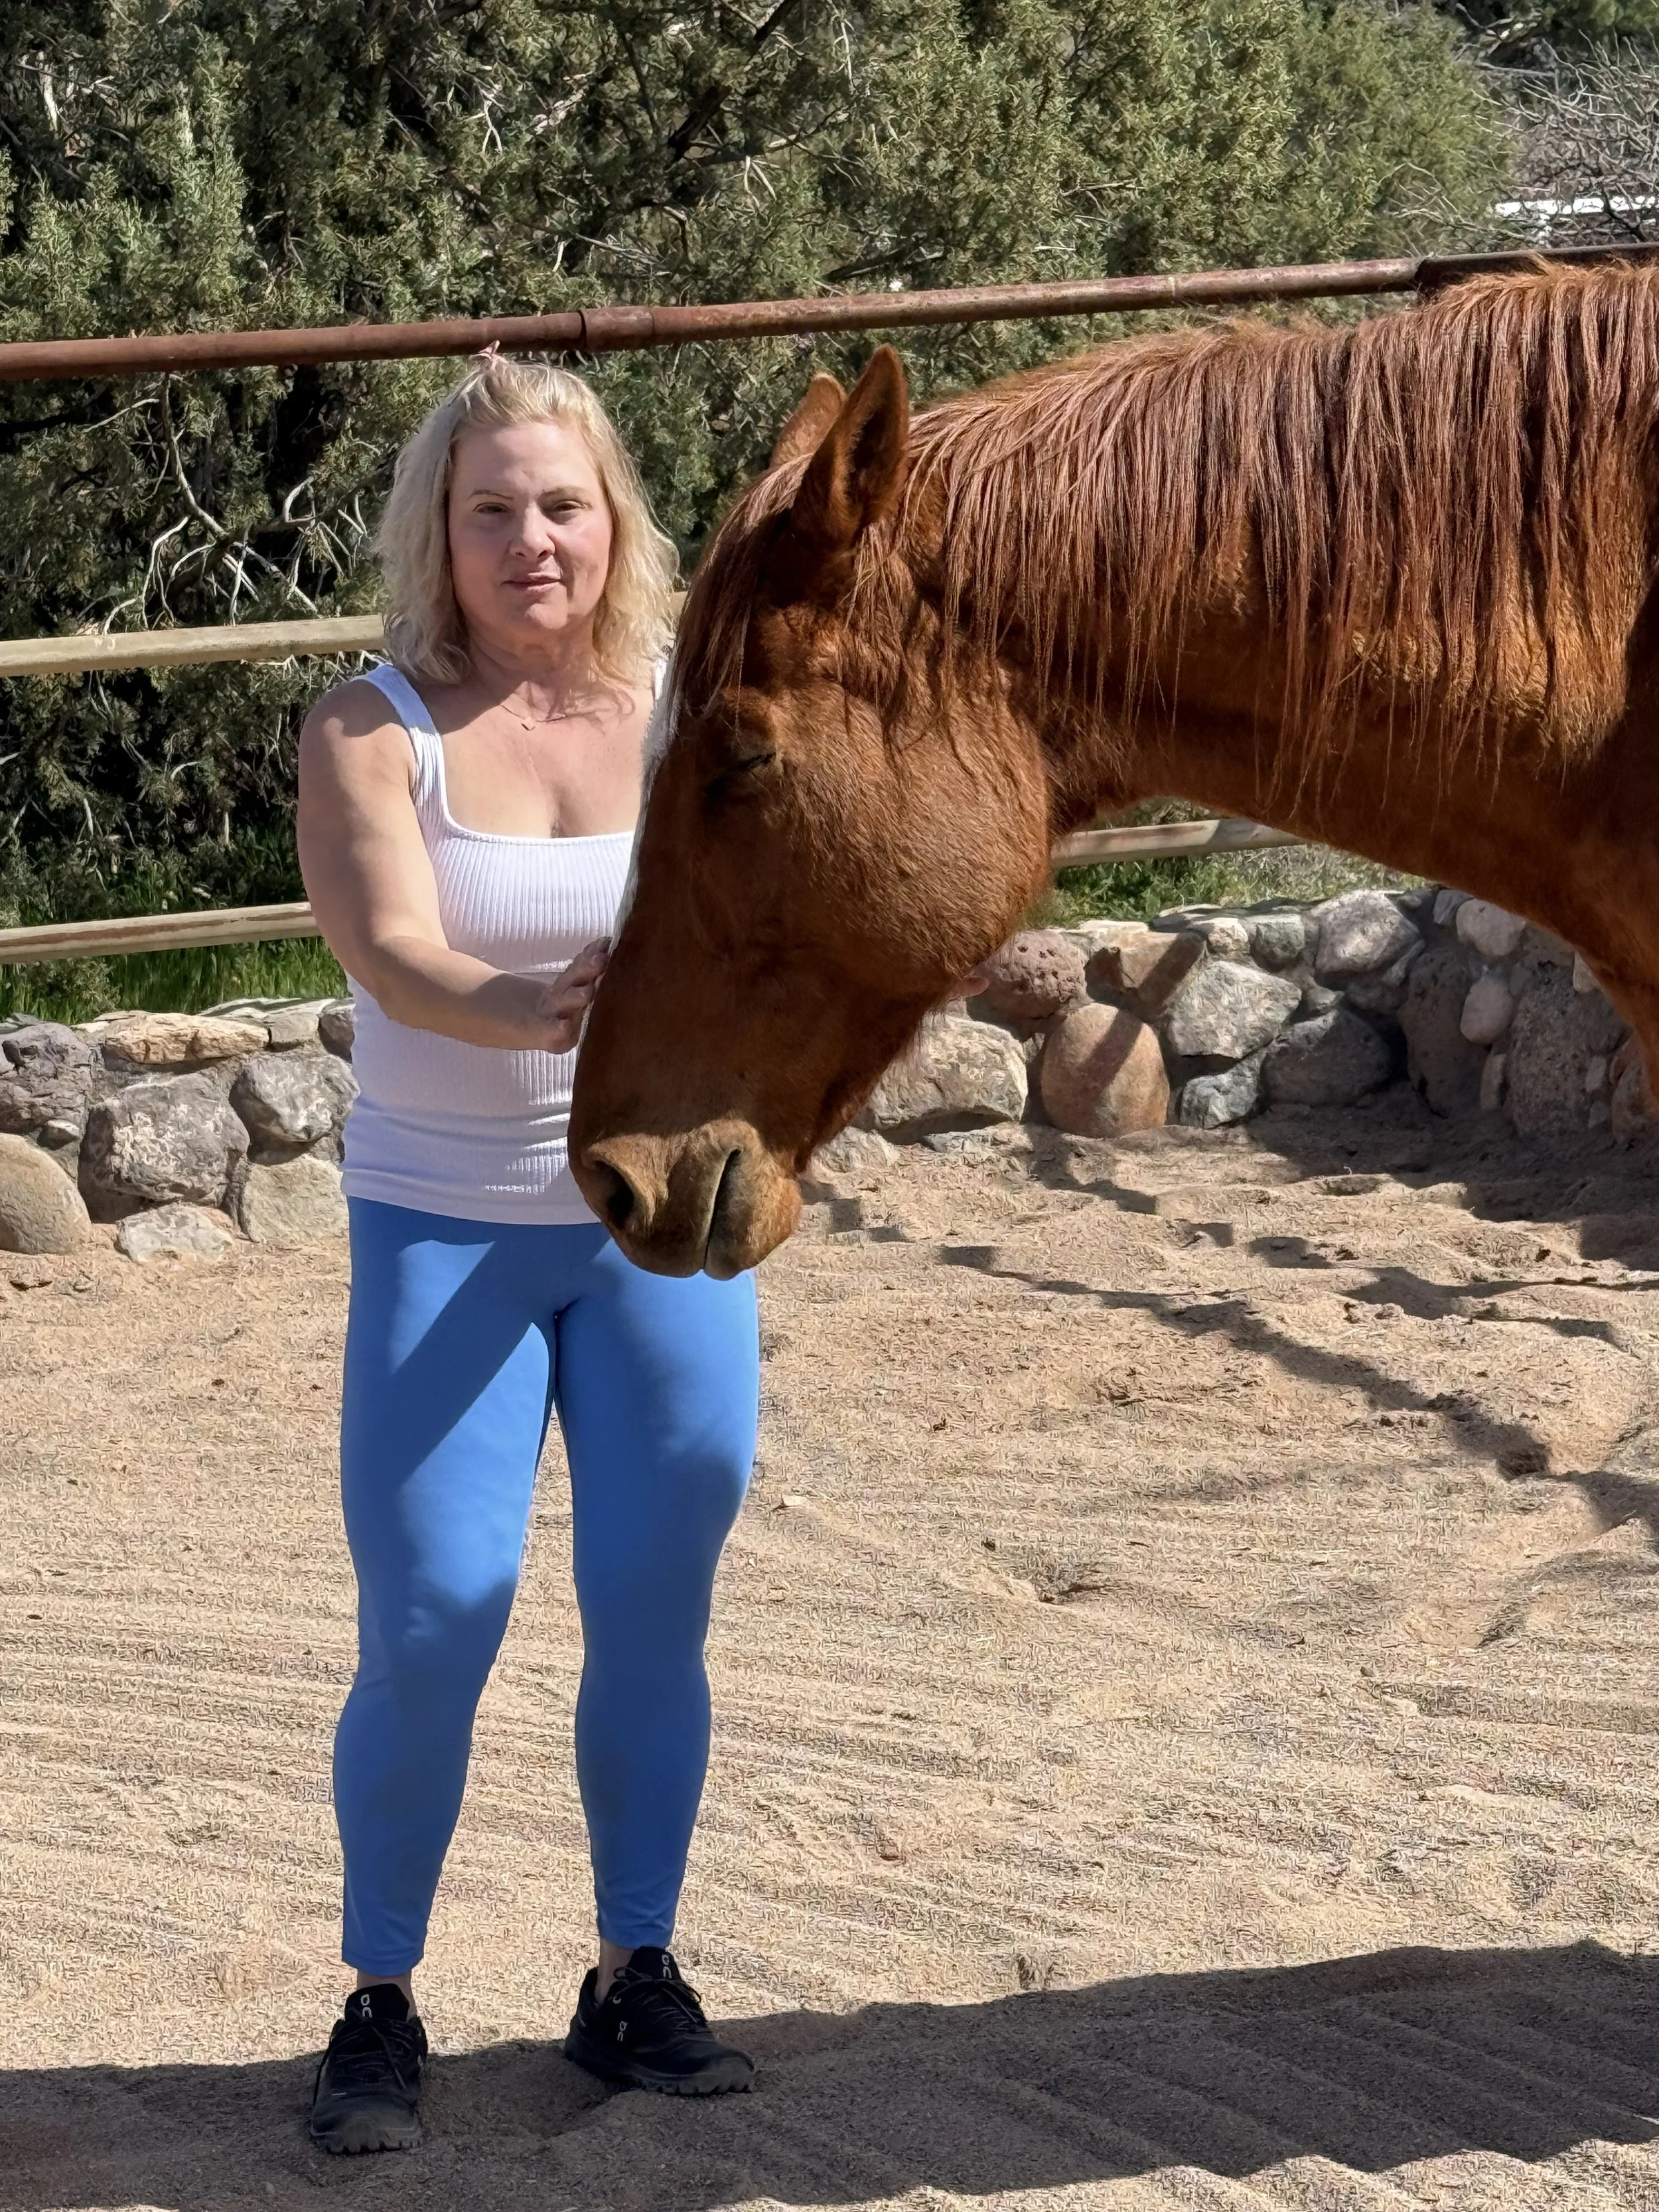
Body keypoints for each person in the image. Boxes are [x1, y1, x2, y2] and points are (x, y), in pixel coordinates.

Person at [295, 354, 758, 2156]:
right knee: (433, 1617)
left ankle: (631, 1968)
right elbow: (392, 950)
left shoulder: (680, 713)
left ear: (611, 515)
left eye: (558, 501)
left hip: (658, 1230)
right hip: (444, 1225)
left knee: (657, 1615)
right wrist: (546, 1001)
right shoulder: (371, 722)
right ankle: (377, 1996)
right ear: (441, 529)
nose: (528, 538)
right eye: (489, 507)